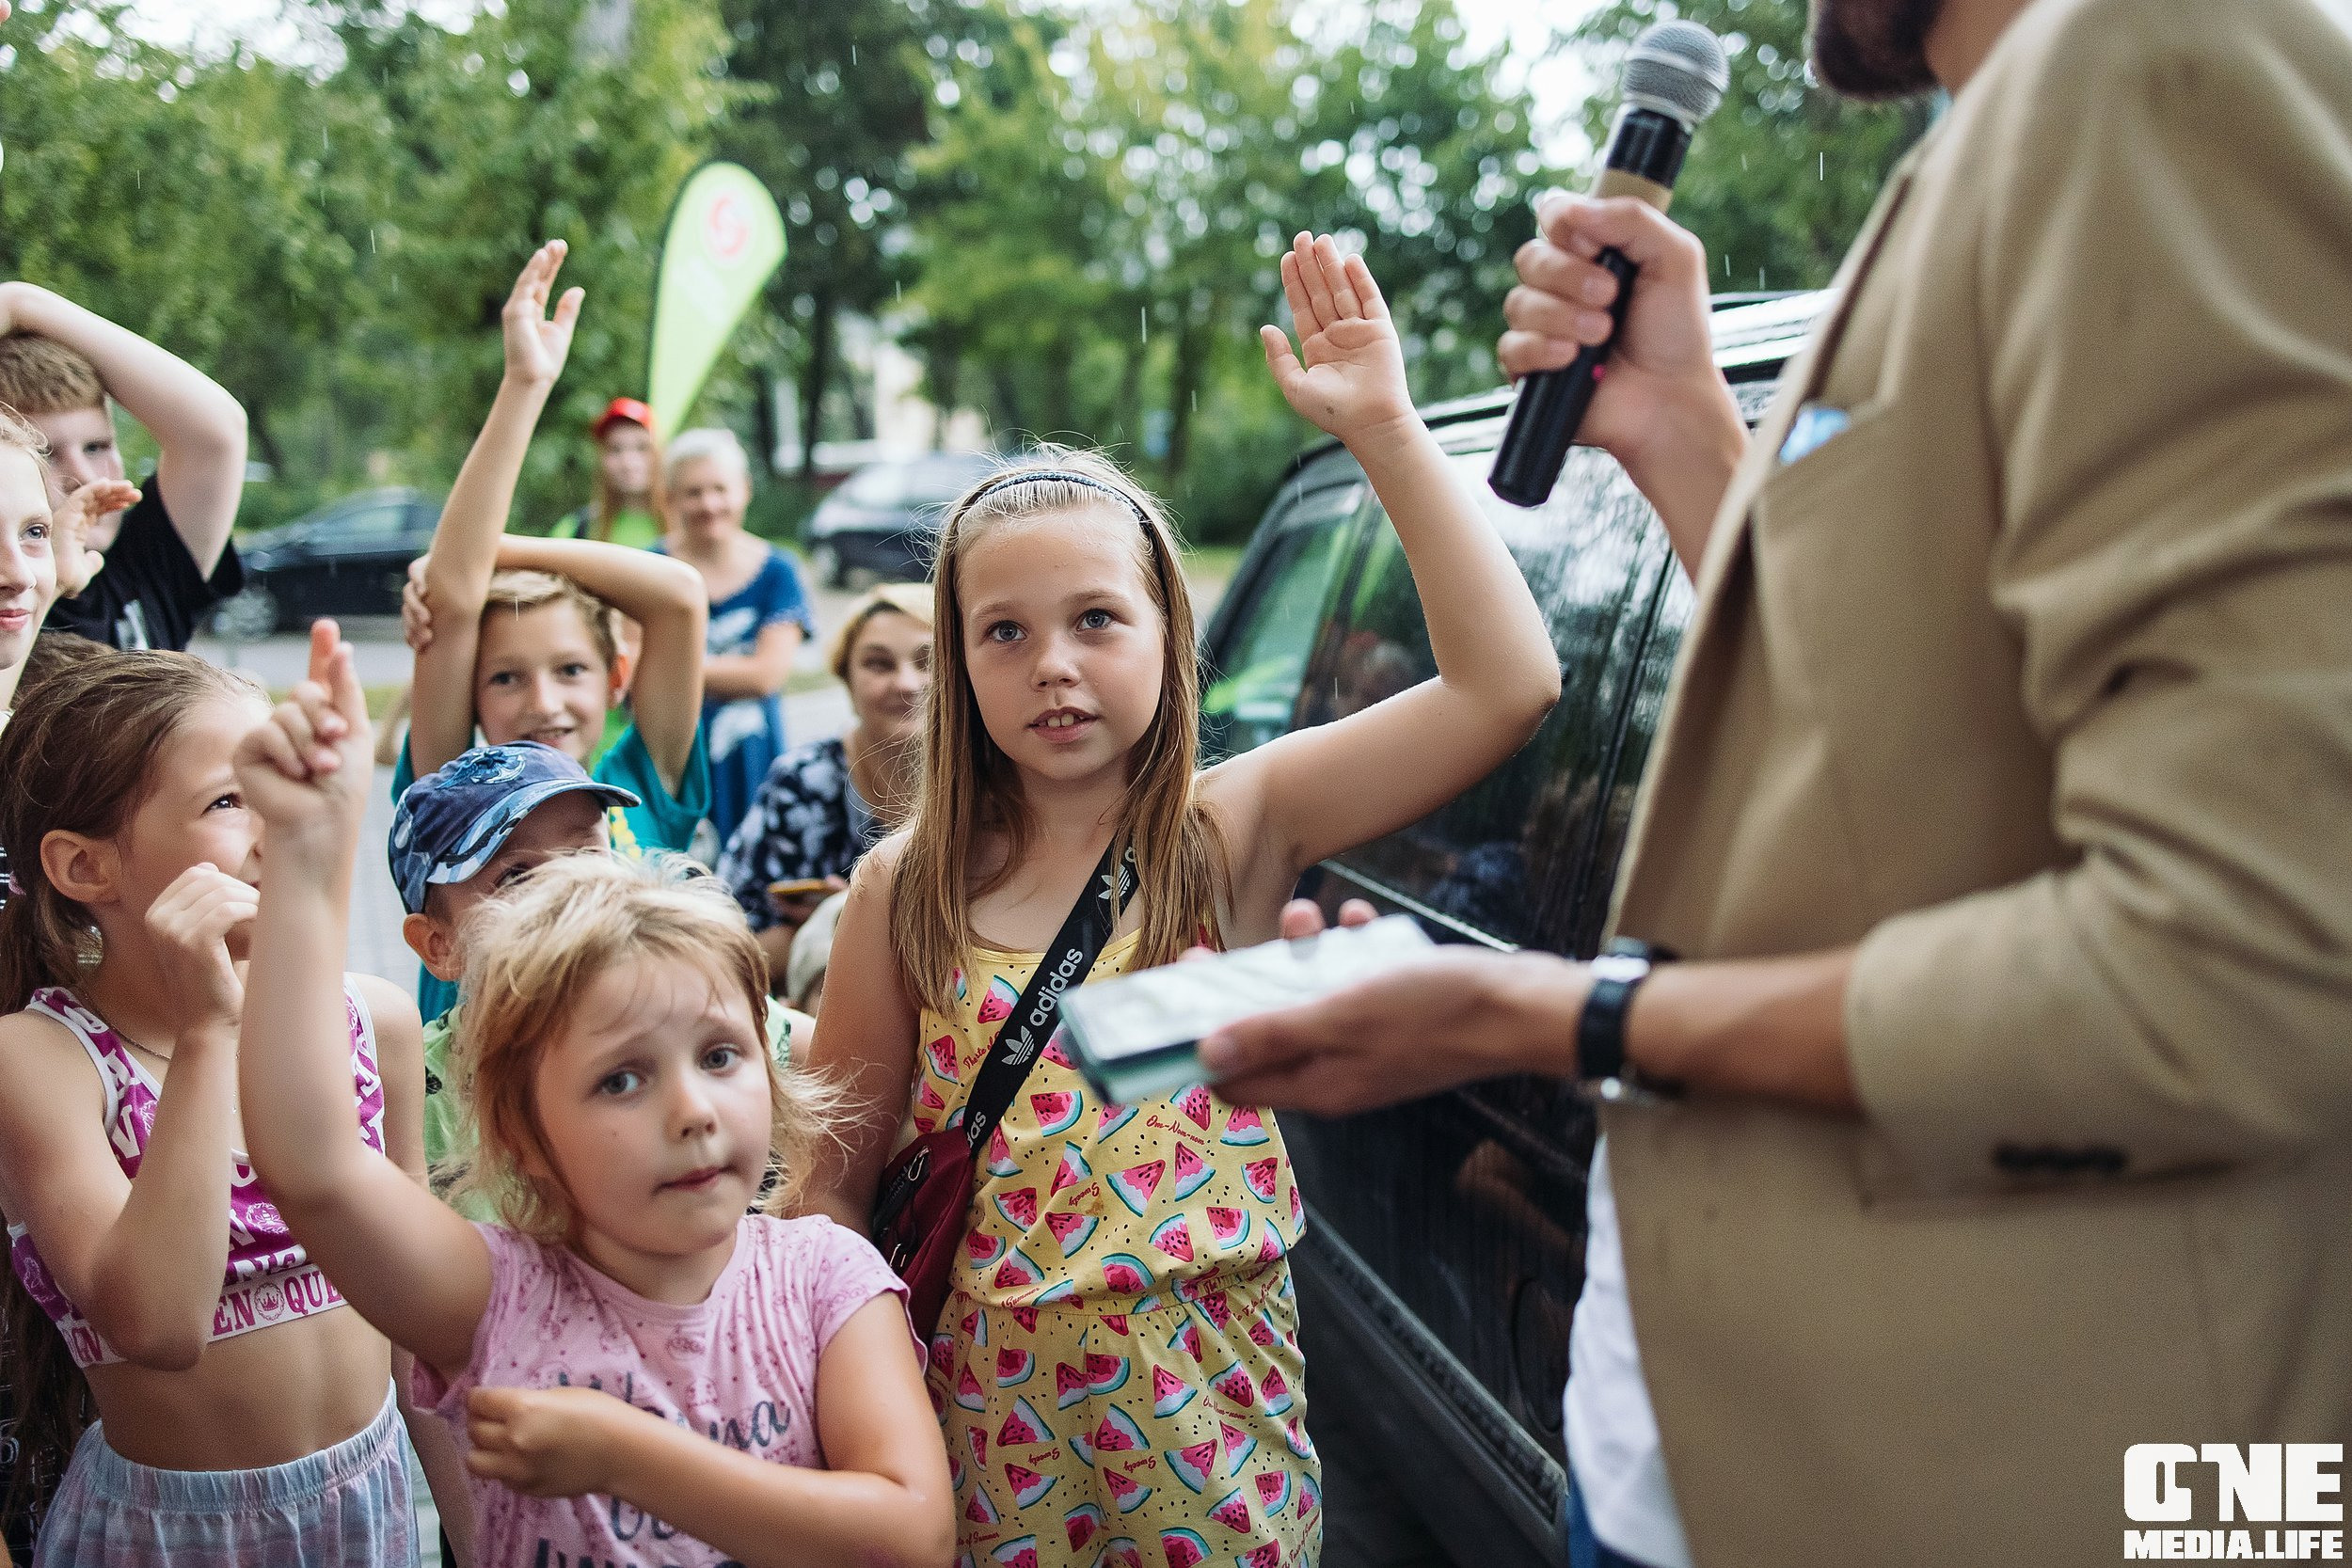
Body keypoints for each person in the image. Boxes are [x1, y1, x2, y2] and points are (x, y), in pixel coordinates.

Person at [1194, 2, 2352, 1564]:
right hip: (1696, 1440)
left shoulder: (2157, 60)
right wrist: (1681, 433)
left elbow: (2239, 967)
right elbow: (1909, 785)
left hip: (1989, 1476)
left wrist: (1546, 1015)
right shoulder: (1988, 141)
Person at [803, 231, 1561, 1568]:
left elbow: (1508, 683)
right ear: (957, 660)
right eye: (1006, 630)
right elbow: (828, 1192)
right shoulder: (898, 889)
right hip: (980, 1437)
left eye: (1099, 618)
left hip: (1215, 1426)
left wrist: (1385, 424)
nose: (1055, 665)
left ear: (1169, 634)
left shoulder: (1232, 829)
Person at [230, 629, 953, 1568]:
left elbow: (912, 1532)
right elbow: (312, 1164)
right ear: (522, 1133)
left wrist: (625, 1455)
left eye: (723, 1054)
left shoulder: (826, 1279)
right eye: (621, 1078)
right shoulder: (492, 1296)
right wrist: (302, 856)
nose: (692, 1109)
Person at [0, 642, 459, 1565]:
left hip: (374, 1515)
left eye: (283, 784)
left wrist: (475, 1531)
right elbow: (158, 1324)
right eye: (228, 798)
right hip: (171, 1536)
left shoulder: (375, 1021)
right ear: (86, 867)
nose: (275, 825)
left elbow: (421, 1333)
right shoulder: (39, 1060)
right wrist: (210, 1030)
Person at [397, 241, 714, 1023]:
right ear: (470, 692)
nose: (543, 700)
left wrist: (484, 550)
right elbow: (455, 595)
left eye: (570, 669)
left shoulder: (644, 783)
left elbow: (676, 596)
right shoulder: (453, 790)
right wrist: (525, 384)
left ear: (616, 679)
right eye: (505, 677)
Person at [388, 739, 807, 1209]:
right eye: (515, 877)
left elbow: (835, 1057)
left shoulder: (682, 1004)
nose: (570, 889)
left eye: (586, 855)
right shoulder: (412, 1087)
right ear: (439, 946)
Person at [0, 283, 247, 652]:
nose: (84, 475)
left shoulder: (142, 561)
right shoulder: (11, 602)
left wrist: (21, 304)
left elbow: (217, 434)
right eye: (47, 453)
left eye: (97, 447)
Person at [716, 582, 931, 981]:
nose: (905, 683)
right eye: (879, 665)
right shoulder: (802, 783)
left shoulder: (1001, 782)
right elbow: (729, 947)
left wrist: (853, 915)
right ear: (847, 682)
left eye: (928, 662)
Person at [658, 427, 815, 849]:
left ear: (744, 490)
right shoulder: (649, 569)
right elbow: (634, 674)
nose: (709, 505)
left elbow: (766, 675)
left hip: (755, 766)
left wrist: (672, 670)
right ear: (670, 499)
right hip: (671, 766)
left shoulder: (779, 571)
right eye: (693, 492)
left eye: (719, 489)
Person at [554, 397, 666, 551]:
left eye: (641, 448)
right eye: (615, 450)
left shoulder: (688, 524)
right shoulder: (578, 528)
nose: (628, 462)